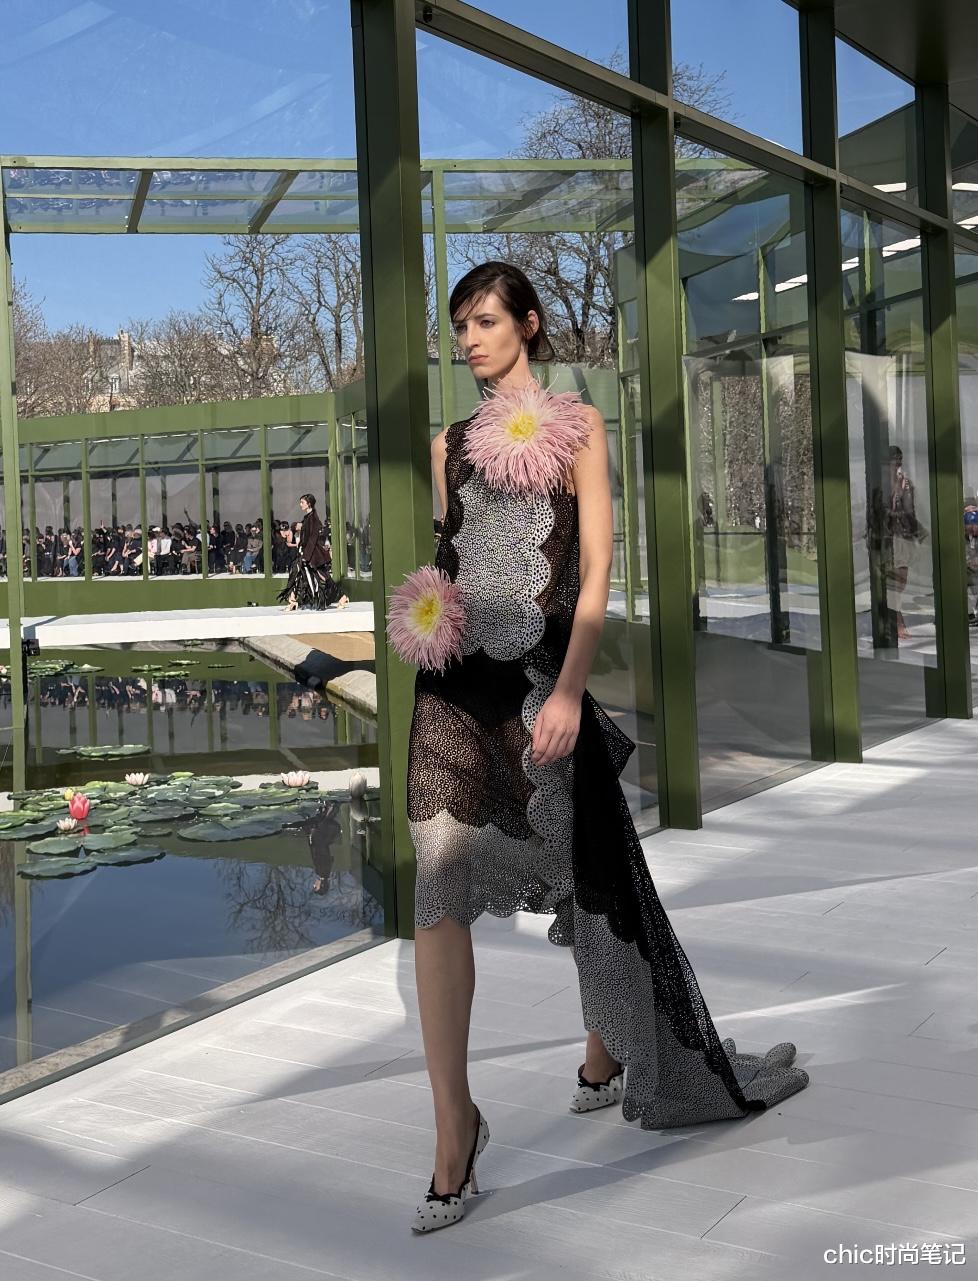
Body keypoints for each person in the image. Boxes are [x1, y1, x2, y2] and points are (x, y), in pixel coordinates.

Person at [401, 261, 809, 1234]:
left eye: (485, 320)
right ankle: (455, 1130)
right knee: (438, 896)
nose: (470, 340)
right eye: (461, 327)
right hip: (450, 693)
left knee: (584, 872)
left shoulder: (580, 428)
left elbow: (594, 574)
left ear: (529, 323)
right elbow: (454, 556)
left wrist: (572, 690)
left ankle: (608, 1052)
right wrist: (429, 607)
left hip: (541, 681)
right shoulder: (444, 446)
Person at [278, 494, 348, 610]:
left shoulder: (313, 519)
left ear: (309, 504)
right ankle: (292, 600)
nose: (300, 504)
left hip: (313, 554)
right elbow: (305, 534)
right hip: (308, 553)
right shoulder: (308, 518)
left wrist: (306, 556)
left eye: (302, 502)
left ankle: (341, 596)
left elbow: (313, 538)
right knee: (297, 572)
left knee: (320, 575)